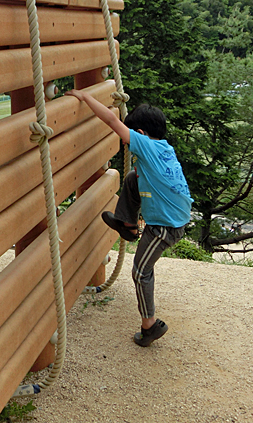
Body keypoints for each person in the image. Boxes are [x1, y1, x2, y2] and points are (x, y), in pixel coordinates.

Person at [66, 90, 192, 347]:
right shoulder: (164, 148)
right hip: (174, 216)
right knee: (134, 177)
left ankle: (150, 325)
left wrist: (86, 98)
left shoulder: (145, 145)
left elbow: (113, 123)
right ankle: (127, 224)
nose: (126, 142)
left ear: (142, 134)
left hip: (165, 227)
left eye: (131, 136)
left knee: (140, 271)